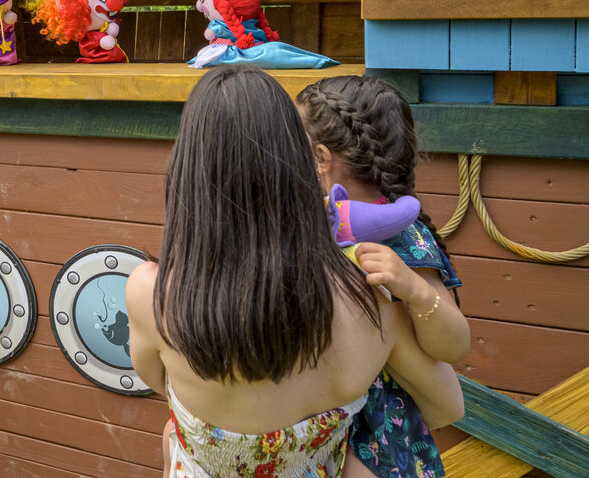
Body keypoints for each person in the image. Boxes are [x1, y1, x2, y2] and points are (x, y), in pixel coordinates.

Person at [125, 65, 463, 478]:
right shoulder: (375, 297)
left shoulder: (148, 293)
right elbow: (445, 406)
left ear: (187, 170)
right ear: (297, 162)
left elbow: (158, 381)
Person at [297, 74, 470, 478]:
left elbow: (455, 345)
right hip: (320, 420)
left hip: (383, 440)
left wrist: (413, 289)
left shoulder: (403, 238)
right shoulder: (307, 225)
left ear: (321, 158)